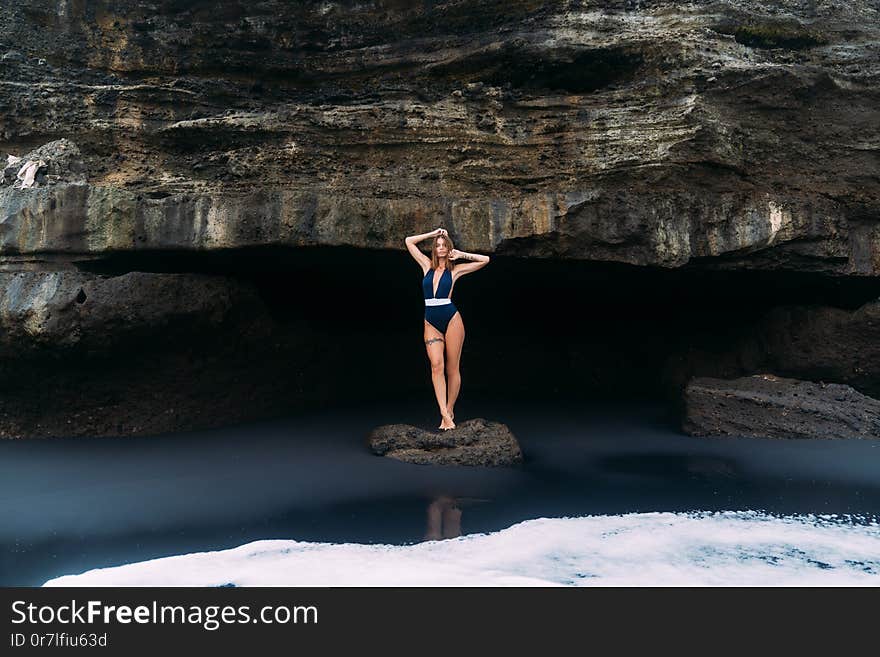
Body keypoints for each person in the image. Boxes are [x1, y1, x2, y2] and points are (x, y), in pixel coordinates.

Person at [404, 227, 491, 430]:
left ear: (448, 248)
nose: (441, 248)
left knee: (452, 368)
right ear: (434, 249)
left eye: (444, 245)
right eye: (438, 245)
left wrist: (461, 254)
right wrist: (433, 234)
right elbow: (409, 241)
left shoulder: (456, 269)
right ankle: (443, 411)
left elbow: (485, 260)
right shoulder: (426, 265)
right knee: (436, 365)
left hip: (451, 318)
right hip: (431, 320)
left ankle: (449, 412)